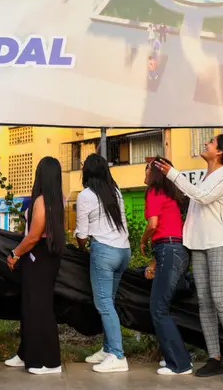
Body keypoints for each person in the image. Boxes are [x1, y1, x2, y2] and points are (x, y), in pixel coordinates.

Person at [153, 134, 223, 384]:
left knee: (220, 299)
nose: (205, 143)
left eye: (210, 142)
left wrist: (173, 174)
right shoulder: (205, 176)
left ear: (219, 152)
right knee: (205, 302)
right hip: (200, 244)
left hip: (222, 243)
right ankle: (215, 359)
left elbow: (202, 197)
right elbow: (196, 202)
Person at [4, 157, 66, 375]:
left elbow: (33, 236)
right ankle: (26, 353)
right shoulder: (58, 199)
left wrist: (14, 253)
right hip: (46, 256)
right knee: (32, 306)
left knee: (39, 308)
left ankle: (48, 362)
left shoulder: (41, 201)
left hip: (38, 255)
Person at [75, 153, 131, 374]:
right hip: (123, 250)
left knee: (104, 304)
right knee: (110, 301)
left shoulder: (86, 195)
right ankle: (108, 349)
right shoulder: (115, 192)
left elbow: (81, 233)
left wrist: (82, 249)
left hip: (104, 252)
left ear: (86, 173)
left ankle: (117, 355)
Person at [140, 158, 193, 376]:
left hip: (170, 251)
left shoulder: (154, 191)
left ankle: (180, 364)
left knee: (158, 308)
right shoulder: (169, 194)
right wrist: (154, 261)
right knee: (163, 307)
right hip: (173, 250)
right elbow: (166, 233)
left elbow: (153, 225)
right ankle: (176, 357)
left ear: (153, 172)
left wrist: (142, 240)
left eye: (145, 168)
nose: (143, 172)